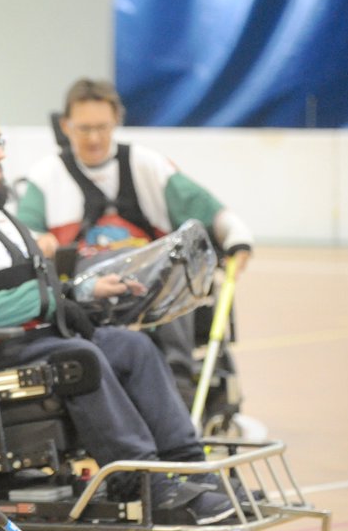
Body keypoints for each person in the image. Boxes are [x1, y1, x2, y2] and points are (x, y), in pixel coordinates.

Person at [0, 95, 238, 524]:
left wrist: (81, 292)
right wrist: (51, 300)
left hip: (19, 345)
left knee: (132, 347)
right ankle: (142, 483)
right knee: (78, 359)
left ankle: (190, 468)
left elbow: (33, 285)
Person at [17, 78, 254, 405]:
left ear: (117, 120)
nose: (94, 138)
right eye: (84, 129)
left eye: (102, 127)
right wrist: (39, 240)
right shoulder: (46, 175)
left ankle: (178, 382)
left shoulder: (148, 165)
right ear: (65, 126)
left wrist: (237, 239)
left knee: (177, 275)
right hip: (85, 281)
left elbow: (207, 210)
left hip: (152, 274)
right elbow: (24, 233)